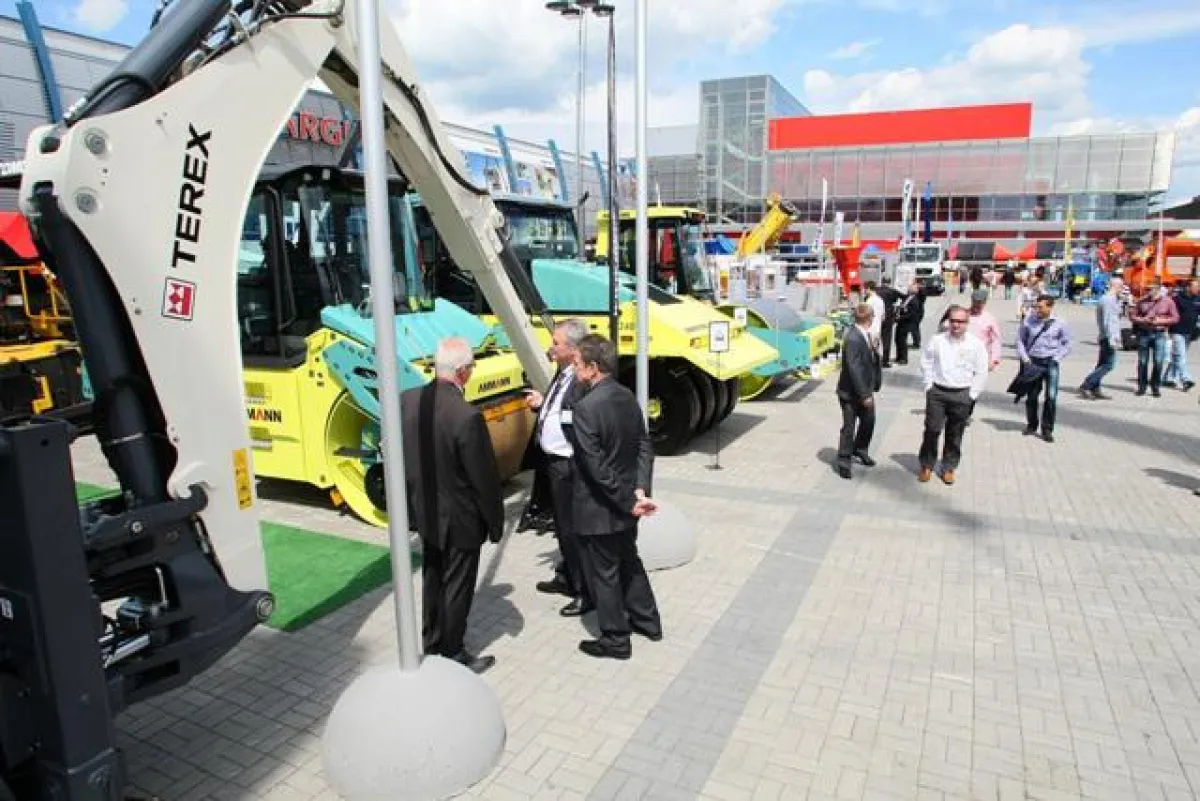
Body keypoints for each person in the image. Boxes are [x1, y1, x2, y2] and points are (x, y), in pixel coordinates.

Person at [401, 337, 505, 673]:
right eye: (471, 367)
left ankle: (431, 642)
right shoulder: (466, 416)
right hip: (460, 518)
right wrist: (495, 522)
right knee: (457, 586)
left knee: (433, 578)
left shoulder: (408, 401)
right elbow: (483, 478)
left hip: (426, 513)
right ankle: (454, 652)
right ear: (462, 372)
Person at [566, 335, 662, 660]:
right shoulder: (626, 396)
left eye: (578, 364)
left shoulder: (585, 409)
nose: (574, 370)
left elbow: (596, 467)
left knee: (604, 575)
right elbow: (644, 446)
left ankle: (616, 639)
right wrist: (640, 489)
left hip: (600, 509)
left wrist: (628, 499)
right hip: (627, 503)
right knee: (629, 561)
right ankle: (648, 621)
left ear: (593, 368)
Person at [527, 318, 592, 616]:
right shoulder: (563, 373)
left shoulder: (581, 379)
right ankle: (568, 576)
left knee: (570, 529)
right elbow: (560, 408)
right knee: (562, 528)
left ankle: (583, 592)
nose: (550, 347)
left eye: (556, 343)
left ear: (573, 348)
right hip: (553, 463)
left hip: (569, 465)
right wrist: (543, 404)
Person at [918, 304, 989, 485]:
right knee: (932, 430)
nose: (956, 325)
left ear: (967, 323)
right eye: (953, 321)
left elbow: (981, 371)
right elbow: (926, 362)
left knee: (955, 433)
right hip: (938, 393)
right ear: (948, 322)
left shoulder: (976, 344)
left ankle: (948, 467)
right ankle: (927, 464)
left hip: (962, 394)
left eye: (960, 321)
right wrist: (928, 386)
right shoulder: (937, 340)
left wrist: (972, 395)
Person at [835, 303, 882, 479]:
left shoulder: (866, 335)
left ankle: (860, 449)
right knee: (849, 427)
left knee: (869, 422)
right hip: (851, 392)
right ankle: (844, 461)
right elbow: (853, 368)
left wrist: (875, 349)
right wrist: (864, 395)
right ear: (869, 318)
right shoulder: (854, 338)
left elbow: (869, 360)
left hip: (866, 389)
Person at [1016, 295, 1072, 443]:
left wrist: (1056, 358)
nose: (1037, 310)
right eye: (1036, 306)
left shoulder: (1060, 323)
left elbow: (1067, 344)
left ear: (1050, 307)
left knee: (1051, 397)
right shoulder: (1029, 320)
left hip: (1050, 363)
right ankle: (1032, 425)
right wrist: (1024, 357)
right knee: (1032, 396)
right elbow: (1020, 340)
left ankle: (1047, 429)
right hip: (1033, 362)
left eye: (1040, 307)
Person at [1129, 281, 1180, 397]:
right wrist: (1142, 320)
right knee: (1142, 361)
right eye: (1147, 289)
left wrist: (1161, 321)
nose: (1148, 291)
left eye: (1150, 289)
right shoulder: (1142, 301)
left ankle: (1155, 386)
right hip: (1144, 333)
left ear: (1157, 290)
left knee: (1158, 362)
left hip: (1159, 334)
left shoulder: (1168, 301)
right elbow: (1132, 316)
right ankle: (1142, 387)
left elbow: (1176, 318)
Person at [1079, 276, 1124, 400]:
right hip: (1109, 336)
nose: (1122, 290)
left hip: (1107, 335)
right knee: (1109, 365)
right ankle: (1087, 385)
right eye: (1121, 287)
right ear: (1116, 286)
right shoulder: (1108, 300)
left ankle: (1095, 387)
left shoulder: (1112, 299)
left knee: (1101, 364)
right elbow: (1108, 321)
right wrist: (1112, 338)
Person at [1163, 279, 1199, 391]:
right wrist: (1166, 329)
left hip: (1190, 333)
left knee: (1177, 356)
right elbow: (1170, 314)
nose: (1198, 288)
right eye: (1196, 286)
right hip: (1177, 331)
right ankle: (1186, 379)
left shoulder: (1198, 299)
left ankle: (1168, 378)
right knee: (1181, 356)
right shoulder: (1177, 299)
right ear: (1188, 287)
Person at [894, 279, 923, 365]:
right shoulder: (908, 297)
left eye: (910, 288)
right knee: (898, 340)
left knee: (902, 341)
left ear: (914, 290)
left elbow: (911, 314)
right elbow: (902, 305)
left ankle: (903, 358)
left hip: (906, 323)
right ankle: (899, 357)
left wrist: (900, 317)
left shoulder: (914, 301)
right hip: (901, 322)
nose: (908, 288)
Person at [877, 276, 903, 368]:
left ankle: (874, 359)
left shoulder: (877, 291)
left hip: (877, 317)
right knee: (886, 339)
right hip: (888, 318)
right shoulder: (892, 291)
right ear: (890, 282)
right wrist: (899, 309)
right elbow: (904, 297)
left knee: (876, 339)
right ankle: (885, 361)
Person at [863, 281, 886, 350]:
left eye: (865, 289)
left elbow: (865, 315)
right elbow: (883, 317)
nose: (864, 291)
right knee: (875, 349)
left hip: (869, 329)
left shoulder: (870, 301)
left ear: (869, 289)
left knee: (868, 350)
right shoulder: (880, 300)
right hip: (878, 328)